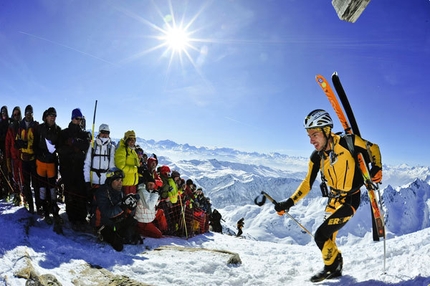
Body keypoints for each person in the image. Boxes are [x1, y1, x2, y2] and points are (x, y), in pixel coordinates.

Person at [274, 109, 382, 282]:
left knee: (320, 235)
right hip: (333, 200)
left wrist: (377, 168)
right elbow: (307, 183)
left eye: (314, 134)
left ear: (327, 130)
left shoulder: (349, 142)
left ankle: (331, 268)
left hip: (350, 199)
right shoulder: (316, 157)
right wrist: (289, 202)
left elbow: (373, 148)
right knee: (328, 239)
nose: (311, 141)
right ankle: (336, 268)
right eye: (309, 136)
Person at [91, 167, 142, 251]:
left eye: (121, 180)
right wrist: (123, 205)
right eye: (117, 180)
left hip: (114, 221)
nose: (120, 183)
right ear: (111, 180)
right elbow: (107, 212)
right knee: (118, 246)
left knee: (132, 229)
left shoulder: (119, 192)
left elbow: (123, 210)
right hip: (102, 224)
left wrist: (131, 207)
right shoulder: (101, 192)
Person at [57, 108, 91, 231]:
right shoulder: (64, 133)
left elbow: (87, 146)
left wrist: (73, 143)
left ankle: (81, 218)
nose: (79, 121)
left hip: (80, 169)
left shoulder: (85, 134)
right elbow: (60, 149)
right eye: (77, 118)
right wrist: (75, 149)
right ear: (72, 118)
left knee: (81, 193)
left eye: (81, 119)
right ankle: (72, 217)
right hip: (67, 169)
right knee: (70, 193)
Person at [33, 107, 62, 225]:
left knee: (52, 187)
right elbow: (34, 144)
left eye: (54, 115)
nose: (53, 117)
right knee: (42, 187)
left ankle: (54, 209)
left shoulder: (58, 130)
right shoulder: (39, 128)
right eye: (51, 115)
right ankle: (44, 209)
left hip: (51, 163)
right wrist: (40, 153)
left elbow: (60, 146)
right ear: (46, 116)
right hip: (40, 162)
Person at [16, 105, 40, 213]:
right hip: (24, 159)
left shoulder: (36, 126)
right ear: (25, 114)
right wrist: (19, 143)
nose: (29, 115)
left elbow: (39, 141)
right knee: (26, 184)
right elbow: (16, 141)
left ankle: (38, 206)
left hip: (33, 159)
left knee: (36, 184)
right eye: (27, 113)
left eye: (31, 113)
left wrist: (34, 146)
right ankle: (30, 206)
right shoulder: (20, 126)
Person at [84, 123, 116, 205]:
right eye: (103, 132)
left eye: (107, 132)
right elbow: (87, 164)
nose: (105, 135)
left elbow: (112, 166)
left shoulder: (111, 148)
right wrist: (87, 181)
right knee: (92, 203)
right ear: (99, 132)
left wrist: (111, 182)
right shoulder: (92, 146)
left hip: (105, 182)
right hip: (93, 182)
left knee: (103, 205)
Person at [4, 106, 23, 205]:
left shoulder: (23, 126)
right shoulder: (10, 128)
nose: (16, 116)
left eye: (18, 114)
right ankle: (17, 196)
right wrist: (7, 157)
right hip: (13, 157)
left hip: (23, 157)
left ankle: (25, 197)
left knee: (23, 178)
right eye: (14, 114)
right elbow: (7, 144)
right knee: (15, 177)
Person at [114, 130, 140, 195]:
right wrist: (136, 169)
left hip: (133, 185)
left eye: (134, 139)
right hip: (124, 185)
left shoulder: (133, 152)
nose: (132, 141)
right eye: (130, 139)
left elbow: (137, 167)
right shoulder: (122, 150)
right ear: (126, 139)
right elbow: (121, 167)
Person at [0, 106, 11, 199]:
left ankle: (7, 190)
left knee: (6, 171)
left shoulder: (9, 122)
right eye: (2, 112)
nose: (3, 113)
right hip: (1, 149)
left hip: (8, 150)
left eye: (5, 112)